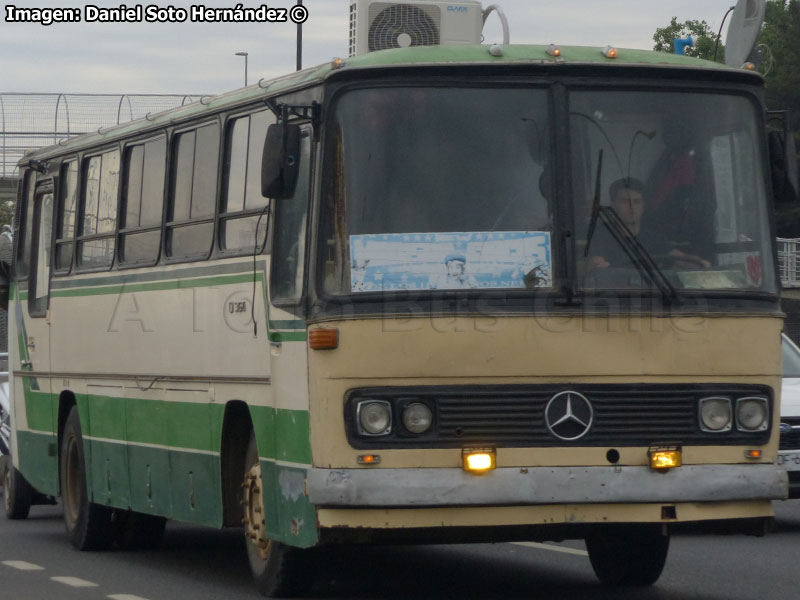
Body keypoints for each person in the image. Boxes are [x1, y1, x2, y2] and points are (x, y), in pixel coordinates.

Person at [587, 177, 711, 271]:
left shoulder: (653, 238)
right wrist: (591, 266)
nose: (631, 207)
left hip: (650, 298)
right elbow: (591, 265)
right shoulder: (600, 236)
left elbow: (681, 259)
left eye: (637, 202)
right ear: (613, 205)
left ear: (643, 206)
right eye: (625, 202)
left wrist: (701, 264)